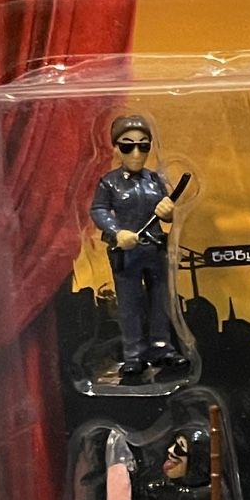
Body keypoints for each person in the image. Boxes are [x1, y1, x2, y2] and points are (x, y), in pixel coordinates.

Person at [89, 114, 186, 381]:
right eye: (127, 145)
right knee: (129, 304)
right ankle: (134, 355)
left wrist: (168, 211)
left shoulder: (154, 180)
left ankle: (162, 347)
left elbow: (168, 214)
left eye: (143, 145)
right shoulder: (109, 182)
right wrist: (116, 231)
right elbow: (98, 210)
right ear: (116, 148)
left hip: (154, 249)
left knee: (160, 300)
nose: (136, 153)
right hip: (127, 253)